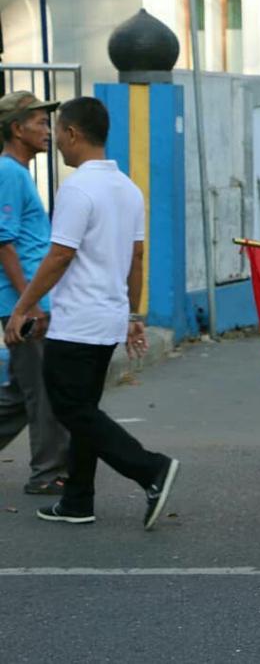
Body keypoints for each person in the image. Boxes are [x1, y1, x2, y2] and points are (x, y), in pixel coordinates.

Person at [4, 96, 179, 529]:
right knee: (83, 408)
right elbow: (137, 258)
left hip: (77, 321)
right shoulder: (127, 188)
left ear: (73, 133)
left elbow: (60, 255)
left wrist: (22, 308)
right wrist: (133, 316)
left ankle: (151, 468)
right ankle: (77, 500)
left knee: (70, 409)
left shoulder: (78, 188)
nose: (56, 139)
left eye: (58, 130)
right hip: (108, 319)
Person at [0, 90, 69, 495]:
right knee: (43, 391)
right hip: (22, 303)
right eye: (41, 122)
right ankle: (47, 474)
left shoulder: (19, 173)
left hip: (25, 300)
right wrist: (31, 304)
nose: (48, 130)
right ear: (16, 128)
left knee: (18, 394)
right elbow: (4, 242)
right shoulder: (8, 173)